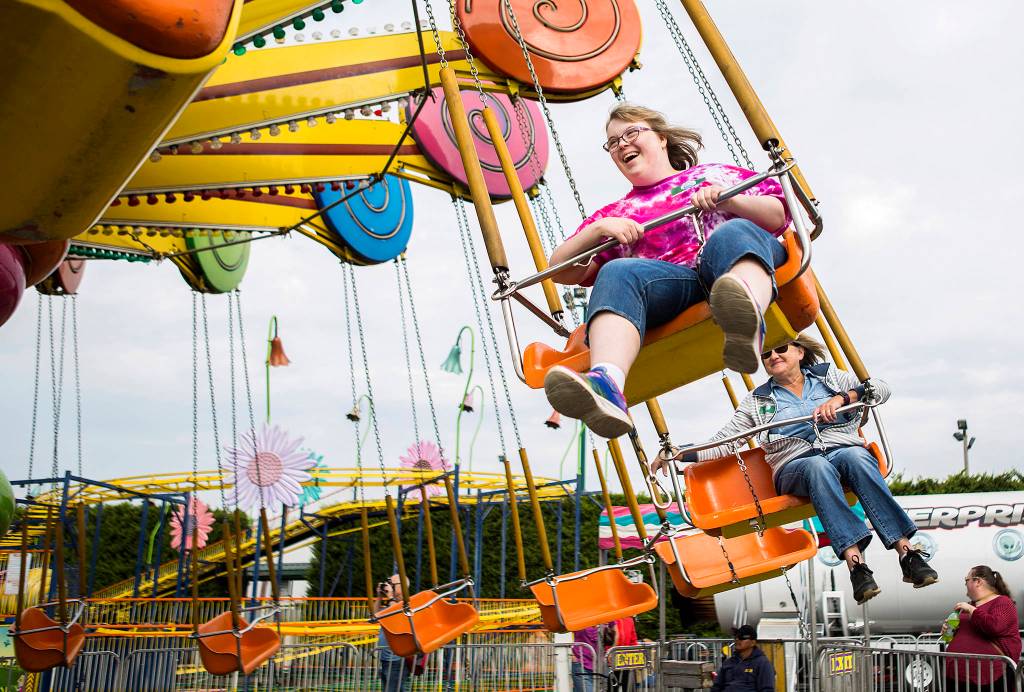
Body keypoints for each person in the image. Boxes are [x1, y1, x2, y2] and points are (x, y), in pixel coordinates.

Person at [544, 103, 792, 439]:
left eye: (632, 132)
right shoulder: (618, 213)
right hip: (674, 286)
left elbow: (778, 215)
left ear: (661, 138)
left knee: (729, 234)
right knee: (617, 271)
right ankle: (608, 385)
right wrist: (598, 229)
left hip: (729, 261)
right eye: (613, 142)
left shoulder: (711, 175)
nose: (622, 145)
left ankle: (744, 318)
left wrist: (730, 202)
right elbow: (560, 271)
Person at [653, 333, 938, 604]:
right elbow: (724, 443)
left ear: (800, 352)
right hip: (796, 465)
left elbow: (879, 390)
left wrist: (842, 398)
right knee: (817, 467)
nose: (773, 356)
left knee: (858, 458)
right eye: (767, 354)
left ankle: (908, 554)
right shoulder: (759, 401)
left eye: (781, 349)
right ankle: (856, 564)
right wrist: (678, 453)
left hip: (841, 449)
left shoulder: (830, 377)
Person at [944, 565, 1021, 691]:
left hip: (988, 677)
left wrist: (972, 610)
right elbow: (966, 634)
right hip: (958, 675)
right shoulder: (969, 606)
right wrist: (951, 631)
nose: (965, 584)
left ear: (978, 581)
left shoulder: (1003, 602)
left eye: (966, 580)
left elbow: (995, 626)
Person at [711, 625, 775, 692]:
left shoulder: (762, 663)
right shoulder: (728, 662)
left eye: (742, 637)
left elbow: (767, 689)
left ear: (753, 643)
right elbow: (716, 686)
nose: (737, 639)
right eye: (736, 637)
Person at [373, 575, 409, 692]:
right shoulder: (391, 604)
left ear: (402, 587)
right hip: (386, 658)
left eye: (392, 584)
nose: (389, 586)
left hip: (397, 659)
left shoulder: (406, 604)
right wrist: (379, 596)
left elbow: (396, 615)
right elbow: (374, 616)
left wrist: (390, 597)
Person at [572, 624, 603, 692]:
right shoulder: (579, 616)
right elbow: (562, 628)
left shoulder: (606, 616)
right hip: (581, 664)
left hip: (599, 667)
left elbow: (615, 633)